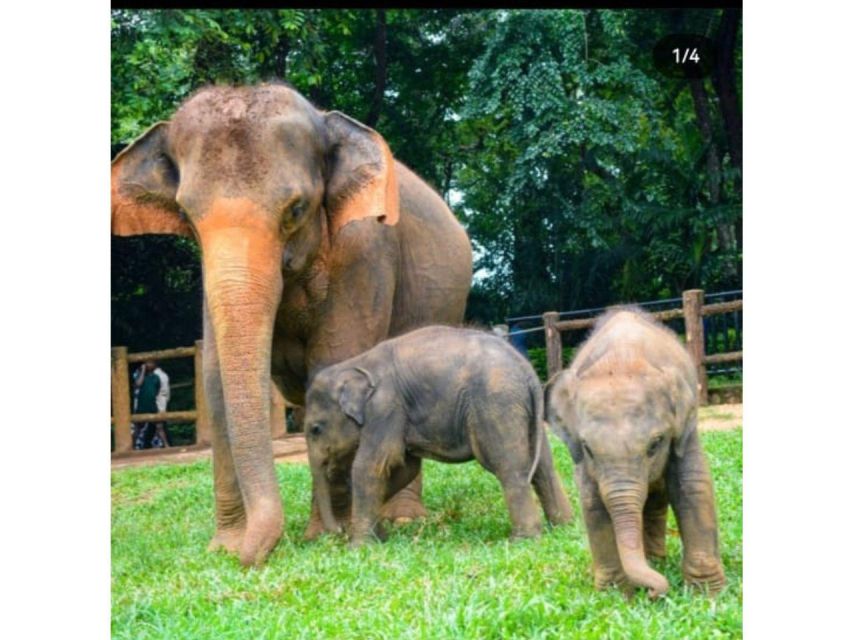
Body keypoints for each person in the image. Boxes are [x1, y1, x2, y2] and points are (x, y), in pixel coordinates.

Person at [132, 360, 170, 449]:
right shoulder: (140, 376)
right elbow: (138, 384)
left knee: (159, 426)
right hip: (141, 406)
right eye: (146, 363)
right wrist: (143, 371)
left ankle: (166, 445)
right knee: (138, 428)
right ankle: (132, 446)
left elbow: (157, 391)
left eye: (150, 363)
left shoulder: (157, 377)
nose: (148, 365)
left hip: (152, 405)